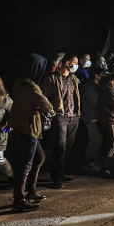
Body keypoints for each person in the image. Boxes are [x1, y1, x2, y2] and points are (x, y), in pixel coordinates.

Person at [6, 53, 55, 212]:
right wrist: (50, 109)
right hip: (28, 128)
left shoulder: (20, 83)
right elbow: (46, 104)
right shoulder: (30, 86)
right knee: (25, 165)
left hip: (23, 126)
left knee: (39, 158)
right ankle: (19, 200)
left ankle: (31, 191)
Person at [40, 53, 81, 188]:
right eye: (75, 63)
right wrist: (51, 113)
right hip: (60, 116)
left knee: (68, 147)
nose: (77, 65)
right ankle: (56, 177)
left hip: (73, 116)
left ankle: (61, 172)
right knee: (60, 148)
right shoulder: (52, 79)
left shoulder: (73, 78)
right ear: (67, 63)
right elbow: (43, 98)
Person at [81, 66, 105, 172]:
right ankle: (88, 162)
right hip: (90, 117)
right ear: (97, 75)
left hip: (95, 116)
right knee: (95, 139)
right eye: (103, 74)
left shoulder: (95, 87)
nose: (104, 76)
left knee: (98, 139)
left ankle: (92, 160)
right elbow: (96, 102)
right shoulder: (90, 88)